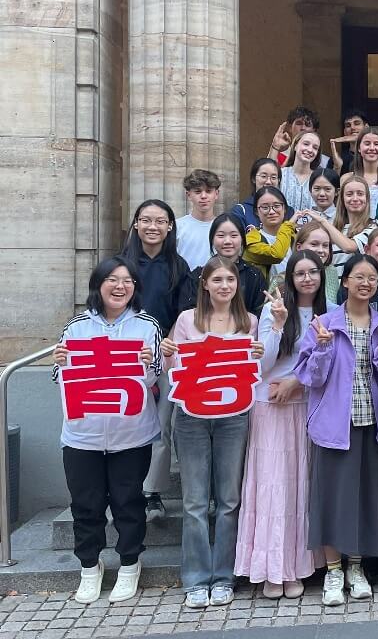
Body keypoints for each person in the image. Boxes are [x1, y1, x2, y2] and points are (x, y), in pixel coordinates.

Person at [52, 256, 163, 605]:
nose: (120, 286)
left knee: (128, 502)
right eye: (112, 279)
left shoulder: (147, 326)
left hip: (131, 434)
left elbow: (154, 378)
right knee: (86, 505)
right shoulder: (77, 326)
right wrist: (59, 363)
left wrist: (150, 365)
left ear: (135, 288)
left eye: (127, 281)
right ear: (98, 285)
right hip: (82, 436)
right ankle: (89, 566)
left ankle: (130, 563)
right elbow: (62, 379)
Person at [160, 256, 262, 609]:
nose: (223, 286)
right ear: (204, 283)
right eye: (216, 280)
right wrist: (168, 352)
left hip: (234, 417)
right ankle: (195, 579)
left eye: (229, 280)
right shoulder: (188, 320)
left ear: (238, 285)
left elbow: (258, 369)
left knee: (229, 500)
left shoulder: (249, 321)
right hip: (191, 417)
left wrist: (261, 351)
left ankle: (224, 576)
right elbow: (173, 367)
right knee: (194, 502)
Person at [290, 254, 378, 606]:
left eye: (372, 278)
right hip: (334, 424)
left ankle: (357, 568)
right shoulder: (325, 323)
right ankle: (333, 571)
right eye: (359, 277)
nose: (366, 283)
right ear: (344, 281)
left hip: (371, 424)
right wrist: (321, 348)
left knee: (365, 497)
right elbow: (310, 378)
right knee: (330, 500)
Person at [235, 251, 329, 600]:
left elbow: (330, 367)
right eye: (300, 273)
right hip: (270, 406)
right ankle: (271, 568)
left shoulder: (329, 312)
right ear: (289, 277)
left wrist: (298, 382)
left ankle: (297, 567)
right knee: (272, 487)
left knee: (299, 487)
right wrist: (276, 324)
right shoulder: (273, 309)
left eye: (313, 272)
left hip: (306, 407)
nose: (307, 278)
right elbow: (262, 365)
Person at [120, 199, 189, 523]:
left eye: (160, 221)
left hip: (164, 350)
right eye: (146, 220)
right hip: (125, 353)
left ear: (170, 226)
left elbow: (183, 313)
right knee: (126, 420)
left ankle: (153, 493)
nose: (152, 226)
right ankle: (124, 488)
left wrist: (167, 345)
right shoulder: (120, 266)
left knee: (161, 425)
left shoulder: (178, 266)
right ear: (136, 224)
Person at [179, 213, 267, 316]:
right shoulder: (197, 276)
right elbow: (187, 314)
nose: (227, 241)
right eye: (221, 236)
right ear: (212, 239)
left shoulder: (254, 276)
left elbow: (260, 314)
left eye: (234, 235)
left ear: (242, 239)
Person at [271, 221, 339, 304]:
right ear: (299, 247)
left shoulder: (332, 271)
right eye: (314, 244)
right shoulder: (280, 280)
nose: (321, 250)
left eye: (325, 245)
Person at [342, 126, 378, 218]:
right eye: (367, 143)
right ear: (358, 148)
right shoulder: (346, 178)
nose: (372, 148)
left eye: (376, 144)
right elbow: (342, 212)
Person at [243, 187, 300, 282]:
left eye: (277, 206)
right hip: (266, 295)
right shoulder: (251, 240)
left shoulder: (296, 237)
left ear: (285, 208)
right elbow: (277, 254)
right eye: (265, 207)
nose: (272, 212)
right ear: (257, 212)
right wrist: (288, 225)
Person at [328, 175, 378, 273]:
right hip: (332, 285)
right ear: (342, 198)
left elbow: (349, 247)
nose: (355, 198)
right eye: (349, 194)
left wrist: (322, 222)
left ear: (367, 198)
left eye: (360, 194)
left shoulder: (375, 226)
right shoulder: (332, 226)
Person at [176, 170, 222, 270]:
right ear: (188, 195)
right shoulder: (177, 226)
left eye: (208, 191)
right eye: (198, 191)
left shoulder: (224, 227)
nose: (203, 196)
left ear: (216, 194)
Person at [233, 158, 293, 229]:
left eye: (273, 177)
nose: (268, 182)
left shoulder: (288, 211)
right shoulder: (241, 211)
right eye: (264, 176)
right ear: (253, 178)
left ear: (279, 181)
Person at [280, 132, 323, 212]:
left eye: (315, 148)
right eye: (306, 144)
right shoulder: (280, 175)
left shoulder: (320, 180)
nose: (310, 150)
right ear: (295, 146)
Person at [328, 107, 370, 174]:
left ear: (366, 127)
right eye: (348, 125)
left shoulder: (374, 154)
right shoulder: (337, 159)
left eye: (357, 123)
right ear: (344, 132)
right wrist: (337, 167)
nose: (352, 127)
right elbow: (329, 183)